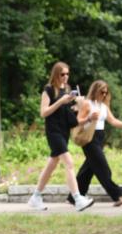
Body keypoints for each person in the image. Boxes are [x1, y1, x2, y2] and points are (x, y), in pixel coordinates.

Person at [27, 61, 94, 212]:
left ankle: (36, 196)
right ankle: (77, 199)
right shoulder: (49, 90)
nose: (65, 77)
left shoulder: (68, 90)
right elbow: (44, 113)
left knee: (51, 165)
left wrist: (78, 105)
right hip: (53, 132)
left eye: (67, 74)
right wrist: (60, 101)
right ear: (56, 74)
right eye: (62, 74)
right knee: (69, 163)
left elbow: (68, 114)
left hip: (64, 132)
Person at [72, 80, 122, 207]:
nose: (104, 95)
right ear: (95, 91)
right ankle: (116, 195)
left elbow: (112, 120)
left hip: (100, 138)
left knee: (89, 169)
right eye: (102, 92)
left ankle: (73, 197)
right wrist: (89, 118)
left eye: (106, 92)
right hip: (89, 138)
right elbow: (77, 121)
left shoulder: (104, 106)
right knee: (102, 167)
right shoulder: (87, 104)